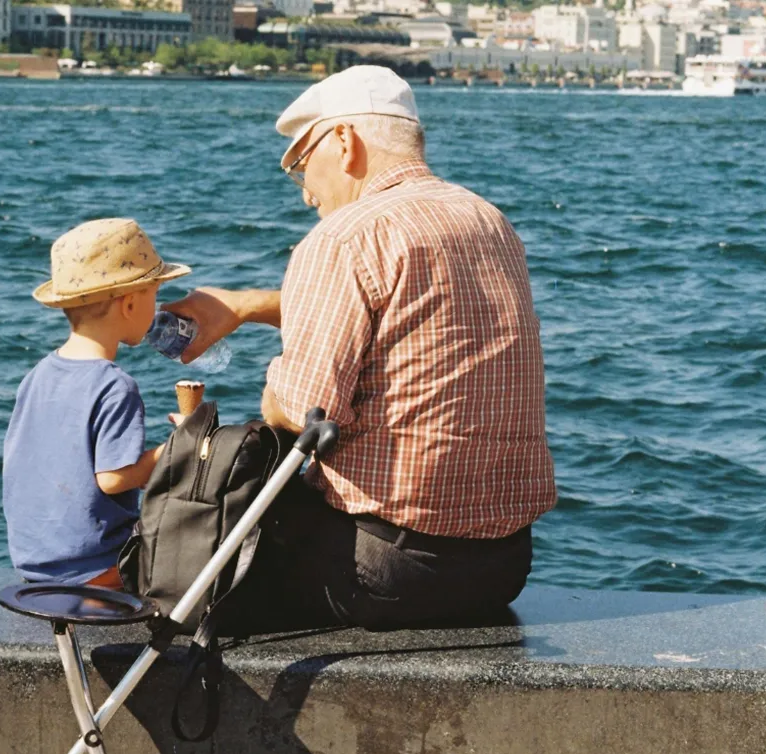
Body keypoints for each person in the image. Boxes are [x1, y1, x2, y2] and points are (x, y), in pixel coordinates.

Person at [165, 66, 556, 632]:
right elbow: (406, 316)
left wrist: (274, 389)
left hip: (385, 572)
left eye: (300, 163)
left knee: (187, 532)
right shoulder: (488, 221)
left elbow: (303, 411)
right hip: (504, 566)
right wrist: (249, 306)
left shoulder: (345, 236)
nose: (305, 191)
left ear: (344, 142)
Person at [3, 218, 191, 590]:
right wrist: (181, 444)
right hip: (96, 571)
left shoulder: (38, 374)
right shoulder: (115, 385)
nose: (158, 305)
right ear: (130, 302)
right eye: (155, 293)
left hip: (35, 564)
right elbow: (115, 477)